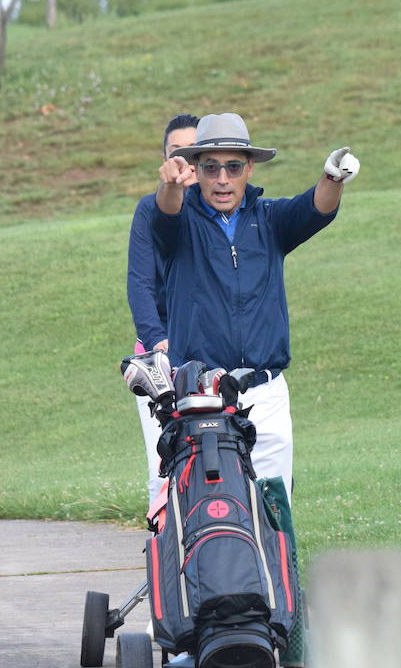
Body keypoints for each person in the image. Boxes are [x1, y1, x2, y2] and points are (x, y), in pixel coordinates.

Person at [151, 112, 360, 495]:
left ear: (249, 168)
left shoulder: (269, 219)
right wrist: (169, 187)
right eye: (211, 168)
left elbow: (316, 208)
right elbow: (165, 212)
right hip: (203, 394)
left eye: (233, 167)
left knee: (273, 502)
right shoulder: (181, 222)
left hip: (265, 392)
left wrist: (333, 177)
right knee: (213, 504)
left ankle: (279, 558)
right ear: (195, 169)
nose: (222, 179)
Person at [126, 113, 198, 508]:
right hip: (162, 363)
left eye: (191, 152)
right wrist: (159, 343)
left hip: (211, 356)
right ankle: (164, 567)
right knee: (165, 469)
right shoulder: (149, 212)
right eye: (176, 153)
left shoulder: (219, 212)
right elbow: (139, 284)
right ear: (163, 158)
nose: (183, 163)